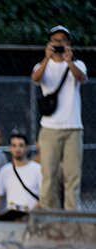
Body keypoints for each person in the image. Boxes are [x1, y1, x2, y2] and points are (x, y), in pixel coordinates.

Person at [32, 25, 87, 211]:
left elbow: (81, 78)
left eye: (63, 41)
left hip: (73, 127)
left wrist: (69, 61)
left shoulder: (77, 64)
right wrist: (47, 58)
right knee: (49, 173)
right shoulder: (42, 65)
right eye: (55, 41)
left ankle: (72, 213)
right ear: (49, 43)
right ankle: (49, 212)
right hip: (50, 128)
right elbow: (35, 78)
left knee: (73, 175)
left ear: (69, 44)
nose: (59, 44)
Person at [0, 133, 42, 221]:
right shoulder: (4, 171)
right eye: (14, 145)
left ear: (26, 148)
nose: (17, 149)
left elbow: (43, 197)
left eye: (21, 145)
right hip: (11, 217)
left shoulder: (37, 169)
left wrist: (32, 213)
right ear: (10, 148)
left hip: (32, 217)